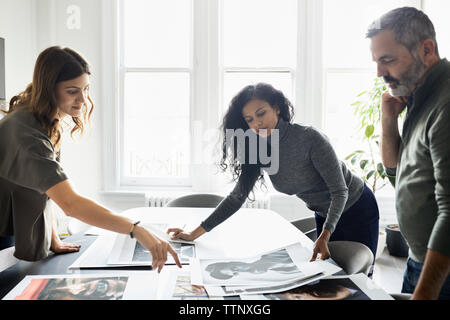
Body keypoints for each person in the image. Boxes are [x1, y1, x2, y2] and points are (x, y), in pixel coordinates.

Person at [0, 46, 181, 272]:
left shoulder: (41, 118)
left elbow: (44, 189)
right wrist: (136, 229)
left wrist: (54, 241)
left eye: (86, 89)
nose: (83, 99)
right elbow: (70, 203)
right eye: (73, 91)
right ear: (48, 89)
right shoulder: (26, 133)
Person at [168, 83, 380, 268]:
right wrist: (193, 234)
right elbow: (237, 197)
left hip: (356, 207)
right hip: (324, 214)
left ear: (276, 108)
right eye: (249, 119)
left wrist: (325, 233)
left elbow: (340, 191)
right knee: (327, 278)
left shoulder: (309, 138)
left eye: (261, 113)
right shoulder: (257, 147)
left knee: (356, 279)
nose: (257, 123)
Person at [367, 7, 450, 300]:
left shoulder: (446, 102)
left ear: (426, 49)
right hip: (420, 261)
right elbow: (397, 173)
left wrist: (424, 293)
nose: (379, 72)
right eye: (376, 62)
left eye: (387, 60)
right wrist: (388, 118)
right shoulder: (418, 94)